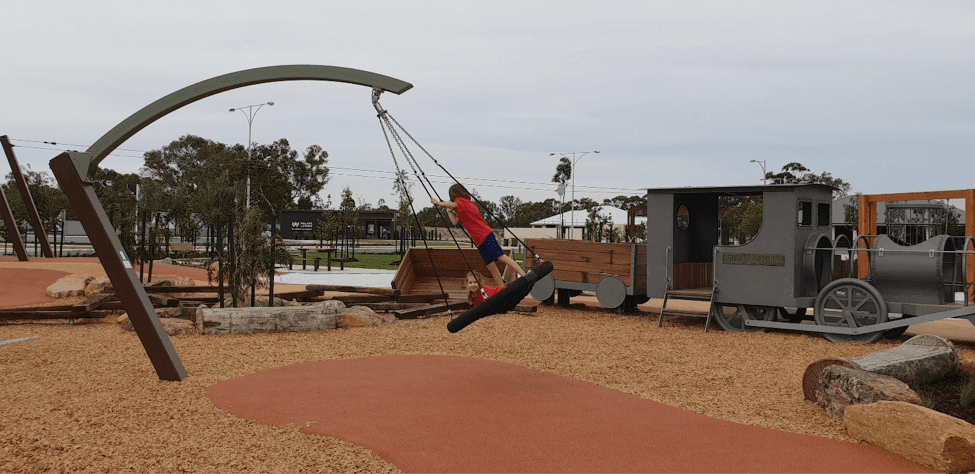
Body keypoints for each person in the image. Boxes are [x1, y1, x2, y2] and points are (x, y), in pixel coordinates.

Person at [431, 184, 527, 287]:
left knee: (502, 257)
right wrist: (449, 211)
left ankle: (524, 276)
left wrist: (438, 203)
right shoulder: (464, 207)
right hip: (479, 240)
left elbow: (453, 205)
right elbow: (455, 222)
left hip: (485, 234)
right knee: (490, 265)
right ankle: (501, 287)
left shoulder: (462, 201)